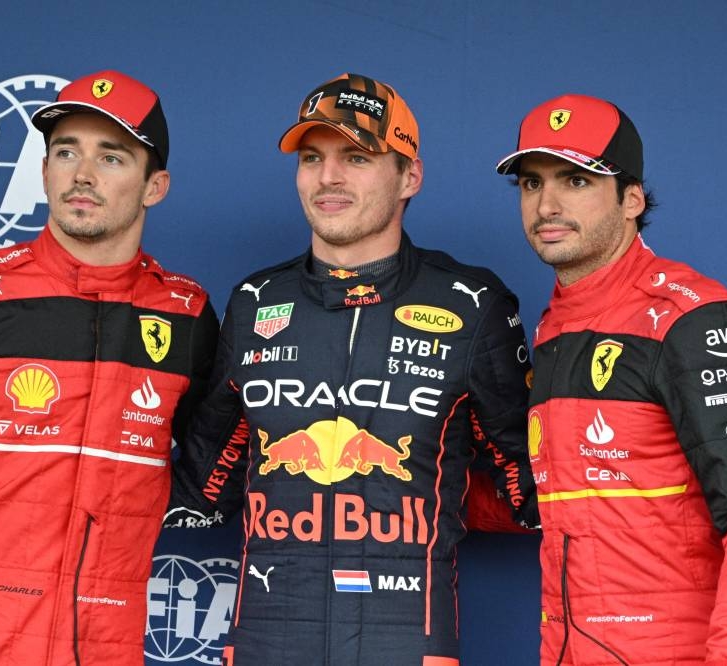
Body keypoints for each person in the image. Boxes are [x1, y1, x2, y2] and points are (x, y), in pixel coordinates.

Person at [167, 72, 536, 665]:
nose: (328, 177)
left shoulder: (471, 304)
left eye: (357, 157)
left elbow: (535, 477)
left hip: (405, 638)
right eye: (312, 157)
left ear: (409, 175)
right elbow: (205, 483)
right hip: (268, 635)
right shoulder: (254, 301)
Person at [0, 70, 218, 666]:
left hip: (109, 647)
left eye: (112, 157)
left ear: (156, 186)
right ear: (44, 168)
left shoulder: (187, 313)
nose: (82, 174)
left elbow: (216, 462)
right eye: (66, 151)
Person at [494, 93, 727, 665]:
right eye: (532, 184)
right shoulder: (556, 325)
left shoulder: (694, 319)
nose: (547, 205)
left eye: (577, 181)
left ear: (632, 198)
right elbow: (565, 502)